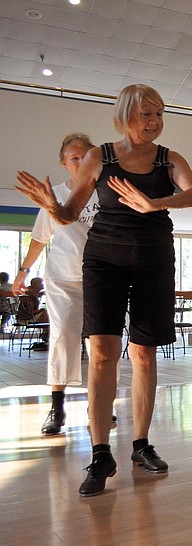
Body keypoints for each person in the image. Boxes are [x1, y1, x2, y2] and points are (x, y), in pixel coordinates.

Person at [16, 84, 192, 496]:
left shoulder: (168, 159)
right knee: (102, 352)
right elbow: (68, 214)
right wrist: (50, 205)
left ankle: (141, 444)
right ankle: (101, 453)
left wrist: (157, 203)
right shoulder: (98, 157)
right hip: (104, 261)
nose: (154, 122)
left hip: (154, 260)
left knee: (143, 352)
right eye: (146, 114)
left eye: (159, 114)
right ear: (124, 116)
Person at [12, 133, 99, 435]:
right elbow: (39, 238)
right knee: (62, 338)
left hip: (101, 279)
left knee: (100, 344)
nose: (80, 161)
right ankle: (57, 407)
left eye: (85, 156)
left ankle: (98, 405)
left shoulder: (106, 192)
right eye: (74, 157)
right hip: (63, 278)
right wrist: (23, 271)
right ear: (64, 164)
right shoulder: (56, 194)